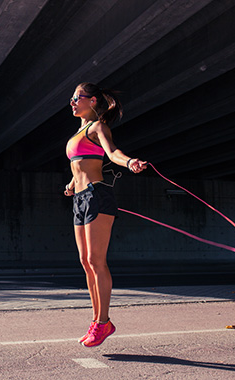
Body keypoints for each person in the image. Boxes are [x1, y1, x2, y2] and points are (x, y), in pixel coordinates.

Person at [64, 82, 146, 347]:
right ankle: (97, 321)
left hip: (97, 196)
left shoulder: (97, 127)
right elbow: (81, 166)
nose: (72, 102)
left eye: (78, 98)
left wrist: (130, 161)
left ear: (93, 101)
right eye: (72, 98)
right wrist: (71, 184)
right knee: (85, 261)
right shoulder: (79, 132)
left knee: (97, 261)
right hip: (80, 197)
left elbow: (112, 153)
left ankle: (103, 322)